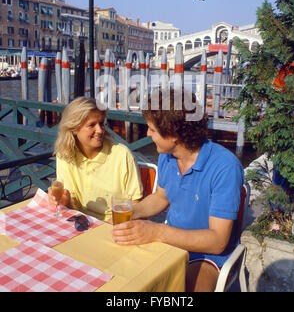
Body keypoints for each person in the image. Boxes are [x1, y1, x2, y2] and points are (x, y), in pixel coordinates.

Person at [112, 88, 244, 292]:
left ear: (173, 135)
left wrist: (157, 232)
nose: (147, 134)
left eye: (152, 130)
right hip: (170, 245)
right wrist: (130, 213)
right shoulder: (167, 155)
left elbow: (217, 242)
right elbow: (160, 198)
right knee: (122, 278)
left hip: (206, 256)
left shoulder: (225, 167)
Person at [48, 96, 143, 221]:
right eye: (91, 125)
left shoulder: (121, 155)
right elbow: (71, 202)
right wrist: (64, 201)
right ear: (74, 129)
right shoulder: (64, 154)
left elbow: (136, 202)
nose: (100, 130)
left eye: (101, 124)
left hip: (113, 224)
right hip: (79, 222)